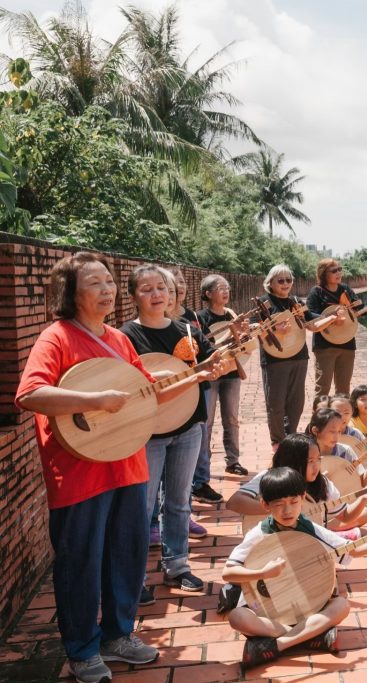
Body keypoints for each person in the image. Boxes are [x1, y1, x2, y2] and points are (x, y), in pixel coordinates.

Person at [15, 252, 203, 683]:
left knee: (127, 554)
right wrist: (94, 401)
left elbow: (146, 396)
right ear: (70, 292)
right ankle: (81, 649)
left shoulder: (118, 340)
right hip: (79, 471)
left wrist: (198, 375)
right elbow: (30, 395)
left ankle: (118, 635)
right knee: (80, 560)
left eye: (108, 282)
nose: (106, 290)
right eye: (95, 282)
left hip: (129, 465)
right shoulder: (56, 337)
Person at [223, 467, 367, 674]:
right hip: (268, 612)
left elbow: (352, 550)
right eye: (279, 504)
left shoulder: (310, 528)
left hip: (308, 607)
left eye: (293, 502)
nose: (287, 510)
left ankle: (277, 645)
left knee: (342, 605)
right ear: (265, 504)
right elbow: (228, 573)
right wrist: (262, 574)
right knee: (237, 617)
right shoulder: (259, 534)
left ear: (303, 498)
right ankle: (312, 636)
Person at [121, 264, 223, 602]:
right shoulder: (125, 337)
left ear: (171, 294)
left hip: (189, 426)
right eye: (147, 288)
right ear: (134, 294)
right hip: (147, 433)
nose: (156, 294)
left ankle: (177, 565)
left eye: (161, 288)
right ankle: (133, 580)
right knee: (141, 505)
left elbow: (208, 364)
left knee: (179, 502)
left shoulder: (187, 331)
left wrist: (217, 364)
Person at [227, 432, 367, 534]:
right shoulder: (270, 477)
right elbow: (234, 502)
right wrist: (278, 510)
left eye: (318, 459)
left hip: (307, 546)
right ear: (293, 461)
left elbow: (345, 516)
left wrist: (365, 496)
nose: (316, 466)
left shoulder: (322, 483)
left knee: (366, 512)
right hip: (272, 544)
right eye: (310, 461)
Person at [193, 275, 247, 506]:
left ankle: (232, 460)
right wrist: (229, 335)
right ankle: (202, 473)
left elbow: (242, 343)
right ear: (207, 294)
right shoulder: (200, 318)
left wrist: (243, 334)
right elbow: (204, 346)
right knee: (207, 423)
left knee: (232, 418)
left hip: (232, 370)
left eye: (226, 288)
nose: (225, 292)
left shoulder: (232, 315)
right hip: (211, 373)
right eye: (219, 288)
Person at [256, 264, 317, 448]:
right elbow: (253, 328)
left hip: (299, 356)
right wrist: (274, 328)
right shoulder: (263, 303)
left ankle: (290, 438)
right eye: (280, 280)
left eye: (288, 280)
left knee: (296, 402)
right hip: (275, 359)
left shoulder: (294, 301)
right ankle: (277, 442)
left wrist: (330, 316)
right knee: (276, 402)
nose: (285, 284)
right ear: (270, 282)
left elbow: (309, 318)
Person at [305, 258, 365, 405]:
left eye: (340, 269)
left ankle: (341, 424)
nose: (338, 273)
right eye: (334, 270)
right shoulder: (316, 292)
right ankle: (319, 423)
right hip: (325, 346)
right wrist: (332, 317)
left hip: (347, 344)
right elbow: (309, 316)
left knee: (343, 389)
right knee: (323, 388)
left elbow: (358, 310)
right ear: (324, 273)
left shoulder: (345, 289)